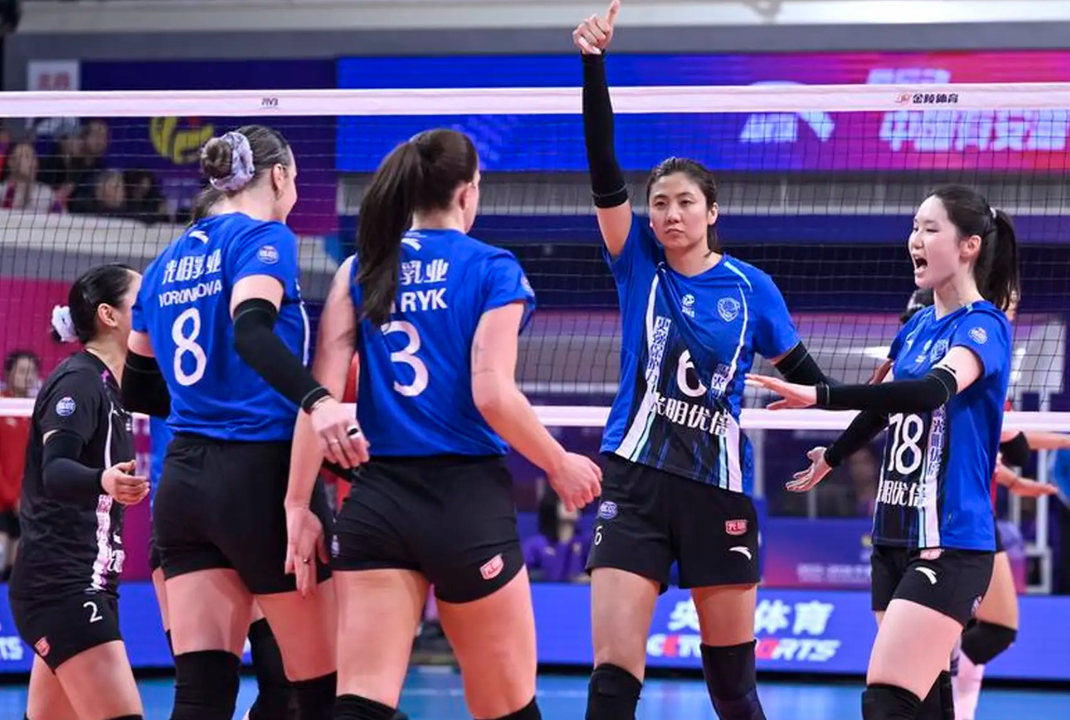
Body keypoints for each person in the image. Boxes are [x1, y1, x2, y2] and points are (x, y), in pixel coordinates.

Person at [573, 4, 839, 719]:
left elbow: (810, 381)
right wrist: (593, 66)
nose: (669, 214)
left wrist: (848, 412)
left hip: (717, 487)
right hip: (634, 480)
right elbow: (603, 169)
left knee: (732, 688)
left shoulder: (753, 289)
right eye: (659, 203)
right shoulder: (638, 264)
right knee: (612, 676)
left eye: (684, 202)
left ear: (711, 212)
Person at [284, 127, 601, 720]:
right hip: (463, 503)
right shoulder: (492, 268)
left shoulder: (358, 269)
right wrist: (559, 463)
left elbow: (317, 400)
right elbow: (492, 394)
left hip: (377, 503)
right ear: (467, 192)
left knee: (360, 704)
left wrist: (297, 505)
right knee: (508, 709)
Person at [748, 184, 1019, 720]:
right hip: (893, 534)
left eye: (930, 229)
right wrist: (833, 456)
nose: (914, 239)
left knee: (887, 698)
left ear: (968, 246)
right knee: (926, 698)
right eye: (914, 228)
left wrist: (821, 396)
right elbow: (881, 409)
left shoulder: (983, 325)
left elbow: (930, 391)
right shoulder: (916, 327)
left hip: (949, 541)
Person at [121, 125, 360, 720]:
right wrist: (318, 401)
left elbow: (137, 387)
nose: (295, 190)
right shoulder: (263, 237)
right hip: (261, 477)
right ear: (277, 176)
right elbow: (251, 329)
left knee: (200, 697)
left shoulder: (164, 264)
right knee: (322, 692)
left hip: (185, 484)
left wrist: (207, 400)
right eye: (295, 178)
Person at [140, 186, 299, 720]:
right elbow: (252, 332)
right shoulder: (247, 263)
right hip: (238, 494)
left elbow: (138, 390)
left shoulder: (164, 288)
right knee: (284, 684)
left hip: (188, 501)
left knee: (220, 690)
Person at [898, 289, 1060, 720]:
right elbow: (1010, 441)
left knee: (990, 630)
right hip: (943, 516)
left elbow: (995, 446)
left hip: (974, 514)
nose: (1012, 309)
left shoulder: (984, 356)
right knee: (965, 633)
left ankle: (955, 707)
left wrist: (1012, 479)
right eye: (1008, 300)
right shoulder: (952, 361)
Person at [8, 264, 149, 720]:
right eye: (142, 300)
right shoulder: (80, 381)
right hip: (63, 585)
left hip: (88, 582)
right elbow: (56, 469)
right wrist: (102, 480)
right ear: (109, 315)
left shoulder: (114, 387)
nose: (154, 308)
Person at [0, 350, 39, 579]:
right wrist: (10, 496)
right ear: (9, 373)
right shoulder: (2, 406)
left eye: (31, 372)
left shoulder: (36, 411)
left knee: (15, 572)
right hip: (3, 500)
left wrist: (24, 497)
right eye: (22, 371)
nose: (27, 377)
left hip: (24, 502)